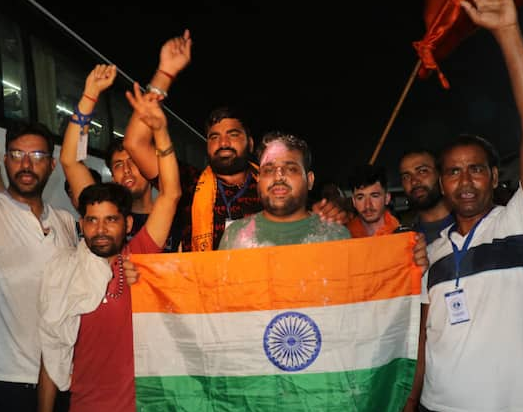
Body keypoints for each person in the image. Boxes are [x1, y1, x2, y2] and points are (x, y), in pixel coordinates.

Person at [418, 0, 523, 412]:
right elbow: (425, 336)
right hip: (434, 407)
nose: (465, 180)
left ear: (495, 177)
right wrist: (409, 401)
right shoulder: (431, 251)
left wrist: (508, 32)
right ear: (442, 183)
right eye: (454, 171)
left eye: (476, 169)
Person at [38, 64, 181, 412]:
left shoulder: (141, 255)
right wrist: (88, 96)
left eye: (111, 220)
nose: (101, 229)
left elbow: (172, 194)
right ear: (82, 223)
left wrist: (161, 133)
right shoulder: (67, 272)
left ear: (127, 223)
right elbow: (53, 353)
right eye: (92, 221)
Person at [123, 30, 348, 252]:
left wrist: (329, 212)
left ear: (250, 143)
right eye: (214, 137)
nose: (223, 143)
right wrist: (166, 73)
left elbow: (309, 219)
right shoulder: (187, 182)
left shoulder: (273, 187)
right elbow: (135, 143)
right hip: (202, 287)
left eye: (233, 134)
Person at [0, 121, 78, 412]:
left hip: (58, 380)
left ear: (52, 165)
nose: (26, 165)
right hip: (2, 380)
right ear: (5, 161)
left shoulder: (65, 221)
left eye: (37, 157)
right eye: (16, 155)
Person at [218, 131, 351, 249]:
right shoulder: (234, 237)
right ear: (258, 179)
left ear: (309, 180)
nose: (278, 177)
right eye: (269, 170)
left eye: (291, 169)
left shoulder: (335, 236)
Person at [399, 148, 453, 244]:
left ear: (440, 174)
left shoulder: (469, 223)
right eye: (406, 177)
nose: (414, 181)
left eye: (422, 171)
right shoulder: (405, 237)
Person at [345, 164, 401, 238]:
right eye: (360, 197)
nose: (368, 205)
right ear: (354, 201)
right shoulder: (344, 237)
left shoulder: (402, 235)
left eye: (374, 196)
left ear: (387, 198)